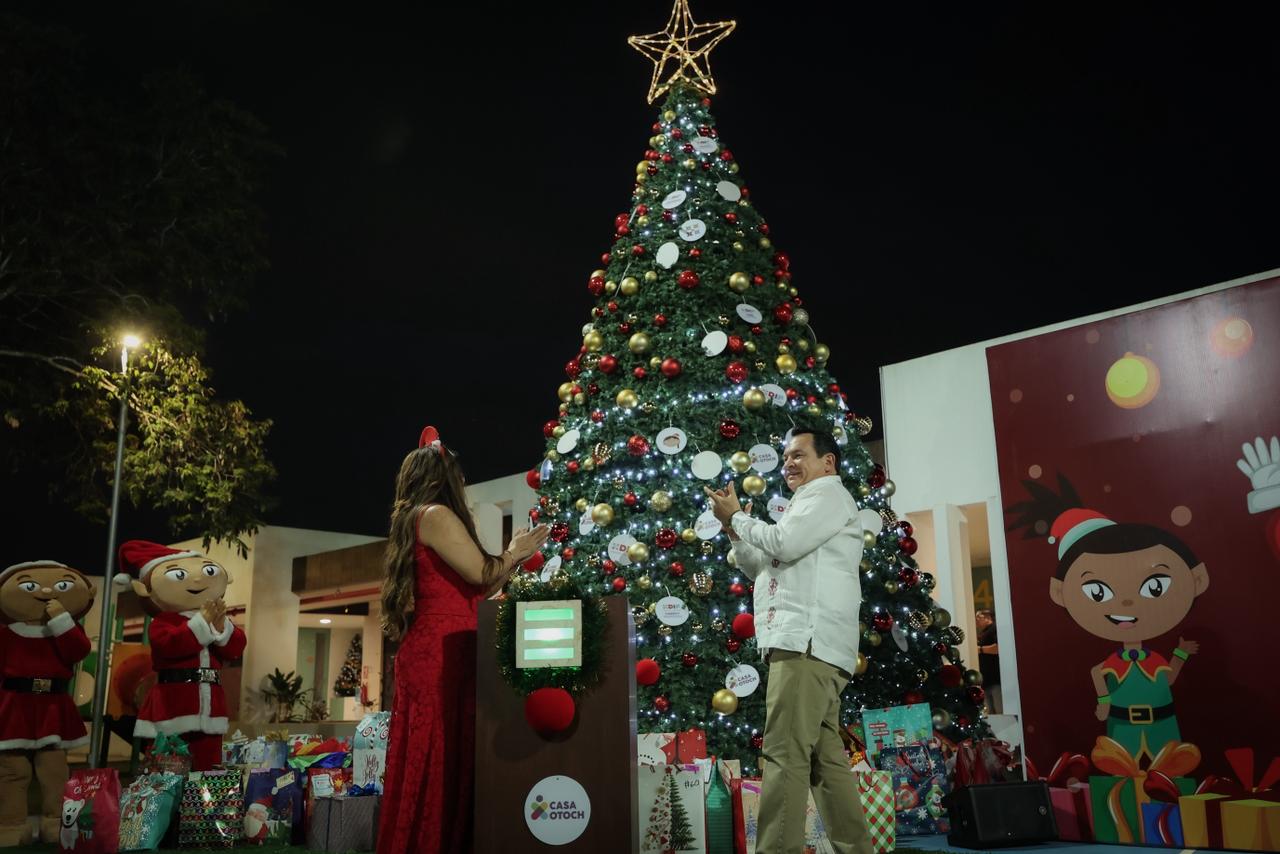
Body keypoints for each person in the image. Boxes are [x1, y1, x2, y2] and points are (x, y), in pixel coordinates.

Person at [377, 426, 549, 854]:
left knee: (445, 751)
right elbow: (482, 573)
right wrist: (516, 551)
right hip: (441, 653)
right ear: (444, 476)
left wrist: (506, 564)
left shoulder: (414, 518)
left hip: (444, 646)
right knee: (440, 753)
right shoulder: (434, 515)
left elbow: (475, 588)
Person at [706, 428, 873, 854]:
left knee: (784, 755)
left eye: (799, 455)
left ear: (828, 463)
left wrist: (738, 516)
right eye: (785, 458)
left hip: (806, 646)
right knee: (825, 761)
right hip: (814, 647)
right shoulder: (806, 506)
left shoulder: (827, 496)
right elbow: (758, 565)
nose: (789, 464)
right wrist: (732, 529)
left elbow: (783, 542)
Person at [116, 539, 246, 771]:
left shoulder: (215, 617)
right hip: (172, 705)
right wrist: (202, 623)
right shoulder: (163, 622)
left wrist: (220, 626)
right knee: (168, 769)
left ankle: (202, 807)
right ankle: (166, 806)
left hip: (211, 706)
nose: (197, 580)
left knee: (208, 768)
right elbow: (172, 645)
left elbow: (234, 649)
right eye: (179, 575)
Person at [974, 609, 1002, 714]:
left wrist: (980, 649)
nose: (976, 621)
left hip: (995, 678)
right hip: (985, 681)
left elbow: (998, 648)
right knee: (990, 713)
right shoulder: (983, 633)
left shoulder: (994, 628)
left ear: (987, 617)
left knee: (1000, 711)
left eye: (978, 618)